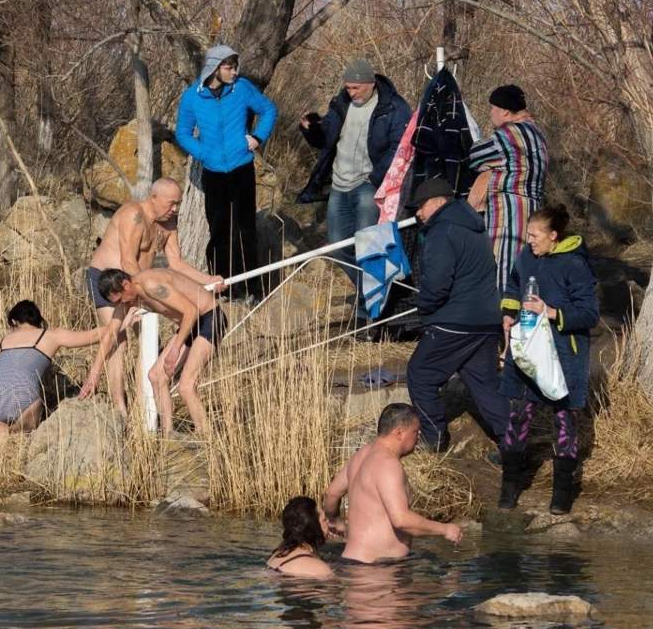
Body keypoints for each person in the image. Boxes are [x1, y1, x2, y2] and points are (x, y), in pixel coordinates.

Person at [86, 177, 223, 414]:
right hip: (114, 282)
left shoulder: (168, 224)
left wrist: (208, 280)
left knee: (149, 339)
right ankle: (120, 409)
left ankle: (145, 408)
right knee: (119, 339)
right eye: (171, 204)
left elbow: (176, 263)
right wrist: (145, 295)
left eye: (178, 204)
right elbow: (127, 260)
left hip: (139, 287)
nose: (175, 209)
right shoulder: (133, 214)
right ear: (154, 198)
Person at [297, 59, 412, 335]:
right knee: (337, 247)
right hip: (338, 184)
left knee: (367, 246)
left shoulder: (394, 108)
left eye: (356, 88)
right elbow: (326, 139)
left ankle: (369, 311)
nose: (351, 92)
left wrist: (375, 178)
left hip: (368, 185)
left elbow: (401, 146)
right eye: (348, 87)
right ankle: (378, 293)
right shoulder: (340, 104)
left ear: (371, 84)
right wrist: (311, 129)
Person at [497, 205, 598, 514]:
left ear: (554, 236)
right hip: (529, 350)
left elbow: (590, 313)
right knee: (519, 416)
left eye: (535, 235)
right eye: (528, 234)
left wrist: (551, 312)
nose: (529, 240)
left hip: (564, 354)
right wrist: (508, 313)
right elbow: (514, 284)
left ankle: (562, 494)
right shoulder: (527, 257)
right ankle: (510, 486)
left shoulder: (575, 265)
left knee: (564, 422)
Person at [404, 178, 511, 451]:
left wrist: (423, 307)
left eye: (421, 205)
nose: (417, 212)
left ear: (439, 201)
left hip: (456, 321)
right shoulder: (474, 227)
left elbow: (437, 283)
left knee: (421, 373)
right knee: (484, 384)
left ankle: (434, 437)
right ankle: (514, 441)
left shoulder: (442, 231)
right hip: (486, 320)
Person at [175, 44, 277, 301]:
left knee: (245, 229)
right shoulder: (192, 97)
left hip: (242, 168)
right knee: (219, 231)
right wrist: (204, 153)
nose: (234, 72)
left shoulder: (241, 88)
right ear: (214, 68)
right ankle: (222, 289)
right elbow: (183, 133)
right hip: (214, 173)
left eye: (235, 67)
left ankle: (253, 289)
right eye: (229, 67)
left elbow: (268, 110)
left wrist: (257, 137)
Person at [0, 301, 102, 457]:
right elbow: (97, 335)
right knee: (25, 448)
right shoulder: (51, 335)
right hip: (24, 399)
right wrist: (119, 323)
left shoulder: (1, 342)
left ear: (14, 322)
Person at [80, 267, 226, 434]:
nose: (121, 306)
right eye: (116, 303)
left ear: (126, 285)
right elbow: (109, 335)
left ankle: (205, 435)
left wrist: (175, 349)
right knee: (156, 376)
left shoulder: (150, 284)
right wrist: (95, 373)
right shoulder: (127, 298)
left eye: (120, 300)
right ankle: (169, 435)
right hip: (190, 326)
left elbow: (191, 311)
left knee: (185, 385)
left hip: (209, 318)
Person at [322, 403, 462, 564]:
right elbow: (401, 519)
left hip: (353, 562)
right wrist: (444, 529)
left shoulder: (361, 455)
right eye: (416, 431)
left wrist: (334, 521)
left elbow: (331, 493)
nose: (419, 435)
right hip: (378, 571)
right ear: (399, 433)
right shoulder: (388, 464)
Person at [468, 84, 548, 288]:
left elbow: (475, 156)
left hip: (509, 213)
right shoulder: (537, 133)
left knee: (505, 271)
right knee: (527, 271)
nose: (490, 114)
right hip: (533, 211)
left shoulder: (510, 134)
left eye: (492, 108)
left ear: (504, 111)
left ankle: (506, 318)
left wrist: (488, 166)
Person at [266, 496, 335, 578]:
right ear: (313, 526)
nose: (329, 523)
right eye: (324, 520)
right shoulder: (321, 570)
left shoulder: (276, 555)